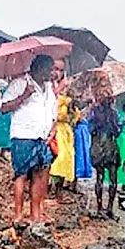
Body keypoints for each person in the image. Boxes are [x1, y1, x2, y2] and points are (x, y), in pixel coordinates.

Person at [2, 55, 57, 224]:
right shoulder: (19, 84)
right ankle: (18, 215)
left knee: (39, 176)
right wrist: (24, 95)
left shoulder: (49, 89)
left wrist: (52, 131)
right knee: (21, 176)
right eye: (49, 69)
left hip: (42, 137)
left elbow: (52, 112)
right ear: (38, 69)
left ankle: (35, 216)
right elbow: (4, 108)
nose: (52, 73)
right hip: (23, 136)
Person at [50, 59, 78, 200]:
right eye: (55, 69)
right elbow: (50, 105)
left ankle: (58, 191)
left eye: (61, 70)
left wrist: (72, 107)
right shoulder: (46, 85)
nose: (57, 73)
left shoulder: (67, 89)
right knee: (57, 158)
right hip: (51, 128)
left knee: (67, 158)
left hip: (65, 130)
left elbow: (74, 117)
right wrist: (60, 90)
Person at [89, 97, 120, 218]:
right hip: (109, 146)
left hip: (99, 146)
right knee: (112, 179)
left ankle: (100, 207)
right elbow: (118, 131)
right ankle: (109, 208)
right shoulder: (113, 113)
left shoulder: (96, 113)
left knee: (100, 178)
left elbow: (91, 129)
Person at [74, 100, 94, 182]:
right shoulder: (79, 111)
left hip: (85, 134)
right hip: (79, 133)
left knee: (85, 152)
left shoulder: (91, 112)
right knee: (79, 153)